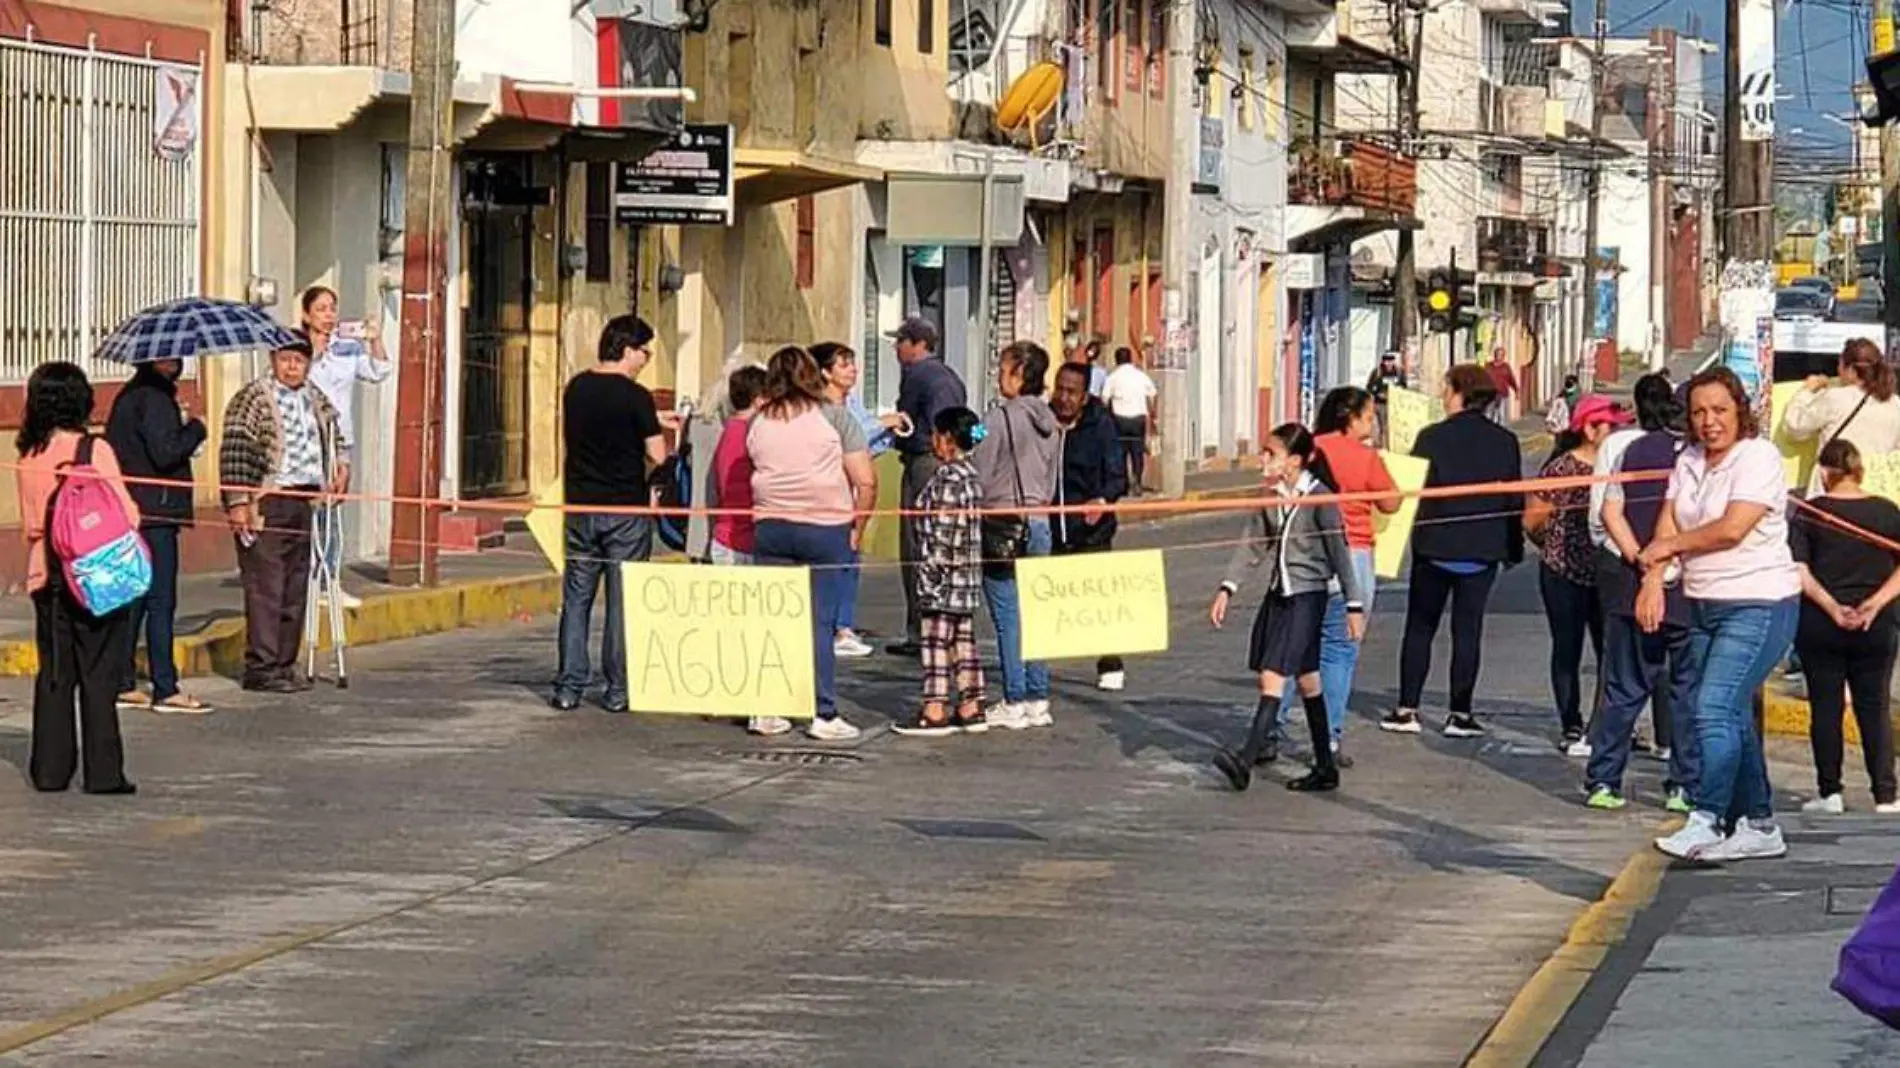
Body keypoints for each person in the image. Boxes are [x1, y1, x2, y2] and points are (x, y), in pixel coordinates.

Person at [1643, 367, 1800, 863]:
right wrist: (1653, 576)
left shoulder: (1758, 457)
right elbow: (1668, 515)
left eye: (1720, 411)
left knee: (1711, 708)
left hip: (1758, 601)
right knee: (1728, 713)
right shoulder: (1688, 459)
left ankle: (1706, 816)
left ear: (1740, 412)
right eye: (1700, 412)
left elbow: (1732, 529)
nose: (1710, 422)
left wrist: (1668, 546)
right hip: (1703, 602)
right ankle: (1758, 823)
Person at [1209, 422, 1367, 793]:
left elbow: (1340, 555)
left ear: (1294, 461)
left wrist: (1354, 606)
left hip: (1307, 597)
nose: (1263, 460)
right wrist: (1227, 589)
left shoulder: (1319, 499)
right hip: (1279, 595)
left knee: (1272, 675)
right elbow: (1253, 544)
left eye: (1271, 454)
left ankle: (1245, 759)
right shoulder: (1274, 496)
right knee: (1308, 679)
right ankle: (1326, 768)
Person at [17, 362, 141, 794]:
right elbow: (128, 515)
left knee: (55, 675)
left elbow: (31, 525)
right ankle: (104, 772)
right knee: (99, 674)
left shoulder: (28, 456)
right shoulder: (94, 451)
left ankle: (50, 771)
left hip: (45, 576)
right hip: (95, 579)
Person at [1383, 363, 1524, 738]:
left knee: (1420, 628)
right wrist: (1513, 548)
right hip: (1482, 551)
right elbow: (1513, 499)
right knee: (1468, 632)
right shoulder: (1504, 442)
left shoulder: (1430, 437)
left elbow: (1412, 490)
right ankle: (1460, 713)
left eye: (1446, 390)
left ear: (1460, 392)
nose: (1443, 397)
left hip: (1435, 547)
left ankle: (1407, 708)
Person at [747, 345, 878, 740]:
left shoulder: (760, 421)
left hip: (771, 527)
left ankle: (767, 709)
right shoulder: (835, 418)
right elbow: (866, 481)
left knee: (773, 621)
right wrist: (859, 525)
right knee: (819, 625)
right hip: (825, 527)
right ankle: (822, 712)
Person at [1584, 374, 1698, 812]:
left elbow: (1611, 511)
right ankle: (1683, 785)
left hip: (1632, 581)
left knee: (1623, 687)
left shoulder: (1635, 450)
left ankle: (1604, 780)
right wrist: (1664, 563)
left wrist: (1640, 558)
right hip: (1687, 588)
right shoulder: (1702, 459)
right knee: (1685, 690)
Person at [550, 315, 667, 714]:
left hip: (581, 506)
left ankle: (569, 685)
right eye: (645, 352)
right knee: (622, 602)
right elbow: (657, 454)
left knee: (577, 600)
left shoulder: (576, 388)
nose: (646, 360)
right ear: (628, 349)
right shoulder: (637, 397)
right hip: (624, 510)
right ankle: (618, 689)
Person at [1278, 386, 1400, 767]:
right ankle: (1328, 738)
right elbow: (1391, 501)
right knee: (1339, 652)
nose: (1373, 422)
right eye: (1368, 416)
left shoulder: (1310, 447)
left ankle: (1272, 725)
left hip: (1306, 554)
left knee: (1291, 646)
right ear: (1352, 418)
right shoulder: (1366, 458)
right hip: (1355, 552)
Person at [220, 333, 344, 693]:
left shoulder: (314, 398)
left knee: (295, 583)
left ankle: (284, 663)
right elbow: (235, 452)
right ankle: (261, 666)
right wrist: (238, 502)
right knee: (266, 585)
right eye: (286, 359)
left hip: (303, 499)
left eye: (299, 360)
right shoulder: (253, 399)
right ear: (274, 359)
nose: (292, 367)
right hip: (267, 500)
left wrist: (341, 466)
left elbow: (335, 436)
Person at [1790, 439, 1900, 815]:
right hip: (1878, 624)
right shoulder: (1888, 512)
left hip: (1821, 623)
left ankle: (1830, 792)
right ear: (1859, 470)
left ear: (1825, 472)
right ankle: (1885, 795)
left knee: (1826, 707)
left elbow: (1800, 570)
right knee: (1875, 708)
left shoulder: (1810, 513)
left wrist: (1833, 607)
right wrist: (1873, 604)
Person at [104, 357, 209, 714]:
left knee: (134, 599)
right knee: (160, 601)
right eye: (167, 356)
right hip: (156, 511)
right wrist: (196, 428)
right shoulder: (153, 399)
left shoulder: (129, 397)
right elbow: (165, 452)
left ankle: (123, 681)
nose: (175, 363)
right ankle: (165, 687)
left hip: (132, 508)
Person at [1527, 395, 1628, 753]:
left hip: (1607, 574)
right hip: (1563, 573)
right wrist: (1554, 546)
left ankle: (1608, 722)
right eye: (1610, 427)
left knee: (1612, 652)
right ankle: (1571, 721)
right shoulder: (1561, 468)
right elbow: (1533, 519)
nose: (1617, 433)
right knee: (1567, 649)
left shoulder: (1620, 467)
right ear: (1589, 428)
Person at [973, 341, 1061, 730]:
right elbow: (1053, 477)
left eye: (1004, 368)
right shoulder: (1053, 423)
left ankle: (1014, 697)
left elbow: (979, 470)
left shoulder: (997, 419)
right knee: (1036, 613)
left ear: (1020, 374)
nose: (998, 375)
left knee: (1008, 615)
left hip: (1003, 521)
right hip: (1040, 518)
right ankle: (1038, 696)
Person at [894, 407, 990, 738]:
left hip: (945, 579)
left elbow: (943, 534)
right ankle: (970, 703)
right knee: (962, 641)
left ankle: (934, 708)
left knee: (936, 642)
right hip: (967, 579)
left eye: (936, 435)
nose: (933, 441)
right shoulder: (972, 476)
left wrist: (930, 577)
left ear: (947, 439)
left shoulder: (949, 478)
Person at [299, 286, 391, 610]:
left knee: (332, 512)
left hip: (340, 441)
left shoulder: (347, 349)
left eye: (332, 308)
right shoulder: (299, 352)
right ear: (307, 315)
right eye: (321, 309)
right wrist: (314, 353)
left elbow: (379, 371)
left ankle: (329, 583)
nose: (328, 315)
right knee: (308, 512)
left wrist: (374, 338)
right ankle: (306, 583)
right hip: (307, 440)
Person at [812, 341, 904, 660]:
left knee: (852, 557)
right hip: (833, 489)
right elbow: (850, 438)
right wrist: (882, 424)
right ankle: (835, 626)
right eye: (843, 364)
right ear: (825, 372)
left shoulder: (853, 404)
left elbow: (867, 443)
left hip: (854, 486)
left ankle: (844, 624)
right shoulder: (822, 408)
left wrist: (889, 431)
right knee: (836, 558)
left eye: (852, 363)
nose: (852, 369)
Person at [887, 317, 967, 658]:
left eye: (900, 341)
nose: (895, 348)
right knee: (942, 544)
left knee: (918, 545)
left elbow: (909, 424)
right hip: (948, 460)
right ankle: (939, 627)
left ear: (917, 344)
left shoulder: (918, 377)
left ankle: (921, 629)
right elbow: (969, 424)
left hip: (925, 462)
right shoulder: (951, 376)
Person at [1049, 361, 1129, 691]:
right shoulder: (1043, 420)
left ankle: (1110, 663)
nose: (1064, 398)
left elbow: (1117, 476)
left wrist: (1102, 500)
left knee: (1098, 601)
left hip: (1091, 530)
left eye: (1072, 392)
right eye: (1060, 389)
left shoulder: (1101, 427)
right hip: (1050, 527)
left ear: (1085, 397)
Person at [1782, 337, 1900, 497]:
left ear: (1851, 369)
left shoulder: (1836, 397)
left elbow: (1795, 427)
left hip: (1836, 485)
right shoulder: (1895, 404)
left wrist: (1806, 392)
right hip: (1879, 488)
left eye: (1839, 365)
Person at [709, 365, 768, 567]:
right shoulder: (752, 434)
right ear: (759, 399)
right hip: (744, 537)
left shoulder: (726, 431)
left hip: (726, 533)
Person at [1102, 346, 1157, 495]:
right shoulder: (1141, 376)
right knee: (1137, 452)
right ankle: (1137, 482)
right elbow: (1152, 394)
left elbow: (1104, 400)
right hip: (1138, 419)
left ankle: (1124, 484)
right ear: (1130, 359)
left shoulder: (1112, 377)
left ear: (1116, 360)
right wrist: (1152, 415)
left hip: (1119, 419)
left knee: (1120, 453)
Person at [1366, 351, 1407, 448]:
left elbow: (1404, 386)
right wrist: (1378, 394)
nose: (1388, 364)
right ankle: (1381, 446)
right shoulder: (1377, 372)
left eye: (1391, 361)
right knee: (1381, 427)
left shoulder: (1399, 372)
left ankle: (1390, 446)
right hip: (1380, 404)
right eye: (1386, 361)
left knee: (1391, 427)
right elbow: (1370, 387)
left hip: (1394, 403)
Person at [1486, 348, 1519, 424]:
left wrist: (1516, 390)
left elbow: (1511, 379)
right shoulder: (1488, 366)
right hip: (1490, 394)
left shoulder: (1506, 367)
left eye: (1501, 355)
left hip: (1503, 394)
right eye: (1497, 354)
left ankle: (1500, 431)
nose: (1498, 356)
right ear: (1494, 355)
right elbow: (1483, 378)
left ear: (1503, 356)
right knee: (1488, 415)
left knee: (1501, 415)